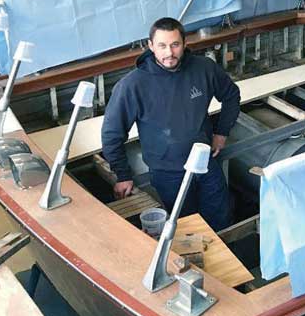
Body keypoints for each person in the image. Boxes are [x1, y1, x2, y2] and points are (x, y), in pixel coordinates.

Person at [101, 17, 240, 231]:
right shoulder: (133, 85)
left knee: (221, 220)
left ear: (184, 43)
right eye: (162, 46)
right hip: (168, 173)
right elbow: (112, 133)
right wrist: (123, 175)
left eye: (175, 45)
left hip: (206, 163)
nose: (169, 53)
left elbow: (231, 95)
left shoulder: (203, 68)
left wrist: (221, 132)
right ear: (150, 46)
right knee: (185, 228)